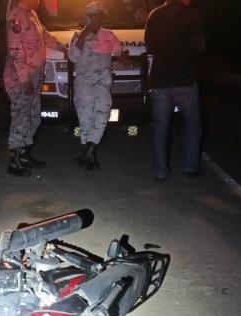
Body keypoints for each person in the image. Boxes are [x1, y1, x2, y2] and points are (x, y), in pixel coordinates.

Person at [143, 0, 206, 182]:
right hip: (184, 78)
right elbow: (201, 45)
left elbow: (149, 47)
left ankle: (160, 171)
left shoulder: (154, 14)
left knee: (161, 127)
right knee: (193, 125)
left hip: (160, 78)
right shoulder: (191, 14)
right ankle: (190, 167)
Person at [3, 0, 67, 177]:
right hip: (20, 77)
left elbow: (44, 36)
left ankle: (24, 155)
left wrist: (62, 47)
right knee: (21, 118)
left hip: (35, 74)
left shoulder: (32, 15)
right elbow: (15, 51)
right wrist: (24, 79)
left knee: (33, 117)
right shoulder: (16, 16)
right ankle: (14, 161)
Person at [68, 2, 128, 170]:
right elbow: (72, 57)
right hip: (83, 85)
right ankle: (90, 156)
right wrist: (83, 35)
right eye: (94, 15)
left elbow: (120, 52)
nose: (98, 18)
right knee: (86, 120)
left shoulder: (108, 35)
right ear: (87, 17)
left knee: (102, 117)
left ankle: (88, 151)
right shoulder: (77, 36)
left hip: (102, 84)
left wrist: (124, 57)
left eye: (100, 15)